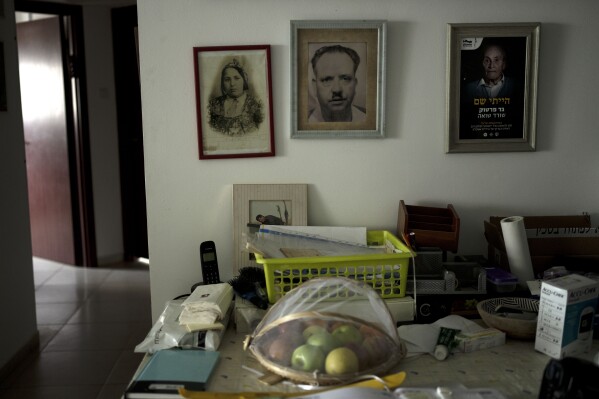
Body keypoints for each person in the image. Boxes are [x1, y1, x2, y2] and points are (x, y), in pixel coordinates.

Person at [308, 45, 366, 123]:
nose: (337, 89)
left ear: (355, 84)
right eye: (327, 80)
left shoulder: (371, 118)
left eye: (345, 79)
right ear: (314, 87)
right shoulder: (302, 122)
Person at [208, 58, 264, 135]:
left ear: (244, 80)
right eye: (227, 79)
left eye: (236, 78)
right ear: (222, 83)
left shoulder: (256, 105)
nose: (232, 84)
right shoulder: (213, 105)